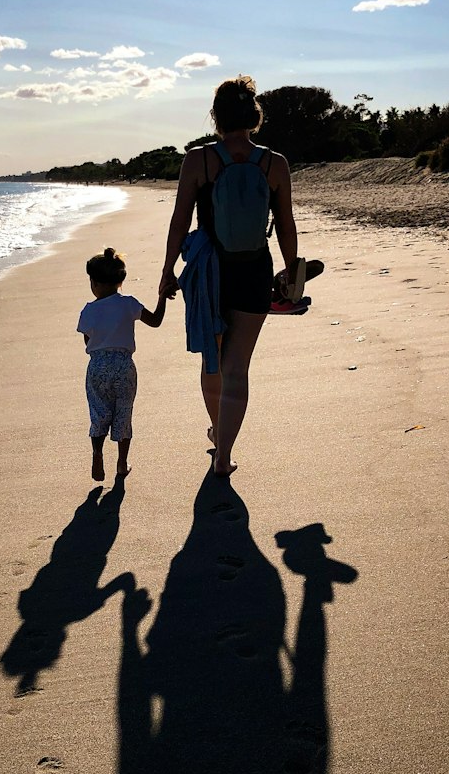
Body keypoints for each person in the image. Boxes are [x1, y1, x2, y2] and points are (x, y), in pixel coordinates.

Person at [159, 74, 307, 477]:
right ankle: (224, 455)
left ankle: (215, 433)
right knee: (237, 367)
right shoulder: (274, 163)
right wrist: (291, 274)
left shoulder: (199, 159)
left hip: (209, 270)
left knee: (213, 360)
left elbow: (179, 220)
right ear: (254, 116)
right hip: (254, 269)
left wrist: (167, 271)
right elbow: (287, 224)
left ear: (216, 117)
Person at [77, 246, 168, 482]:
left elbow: (88, 339)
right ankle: (121, 462)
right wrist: (162, 297)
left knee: (99, 412)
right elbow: (156, 321)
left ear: (94, 283)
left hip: (97, 366)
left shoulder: (88, 310)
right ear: (120, 281)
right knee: (123, 413)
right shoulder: (128, 303)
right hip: (124, 366)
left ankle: (97, 452)